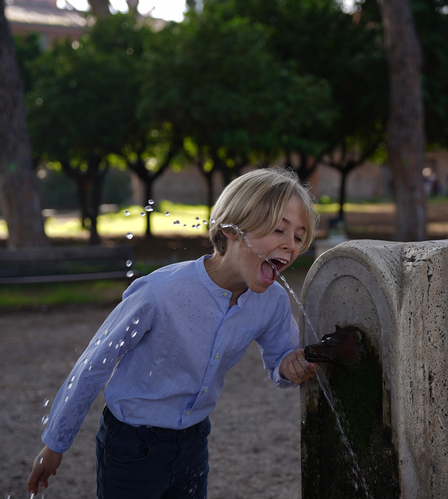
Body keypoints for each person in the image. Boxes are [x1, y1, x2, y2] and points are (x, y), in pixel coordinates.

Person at [26, 167, 319, 498]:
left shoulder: (273, 301)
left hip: (194, 442)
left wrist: (291, 366)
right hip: (130, 445)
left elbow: (281, 358)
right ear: (232, 230)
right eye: (279, 230)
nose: (290, 246)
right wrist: (55, 443)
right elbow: (94, 364)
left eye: (299, 237)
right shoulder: (160, 292)